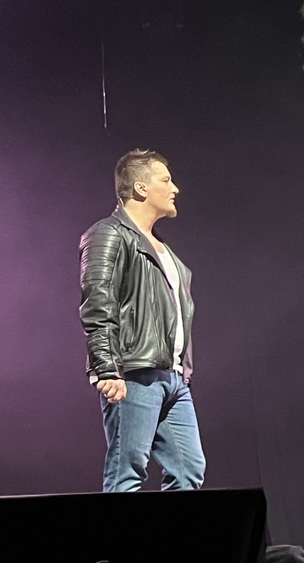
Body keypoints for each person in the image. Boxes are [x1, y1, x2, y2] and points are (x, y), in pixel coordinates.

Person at [79, 149, 206, 492]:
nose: (175, 188)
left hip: (173, 378)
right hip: (134, 373)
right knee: (127, 472)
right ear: (140, 188)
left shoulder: (166, 252)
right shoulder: (109, 234)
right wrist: (107, 369)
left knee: (189, 471)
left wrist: (182, 371)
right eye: (166, 180)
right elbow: (98, 305)